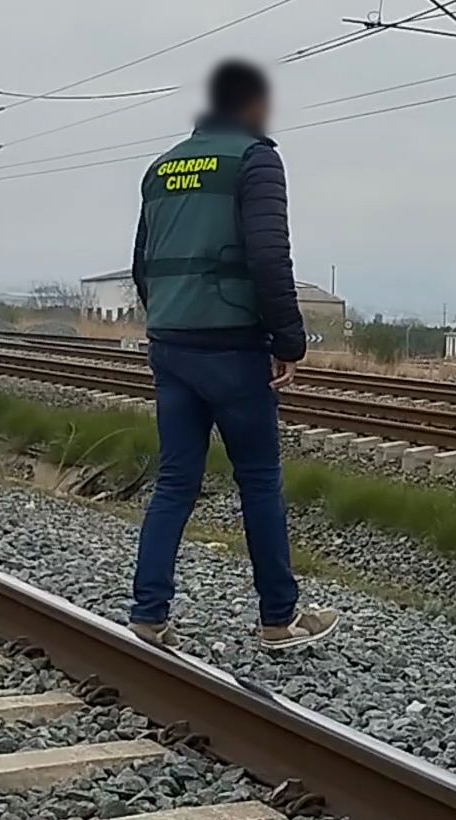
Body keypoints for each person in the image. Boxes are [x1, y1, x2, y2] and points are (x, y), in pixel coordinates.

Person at [128, 58, 339, 651]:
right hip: (232, 346)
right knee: (259, 481)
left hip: (170, 344)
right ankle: (278, 620)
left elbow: (143, 262)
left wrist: (168, 316)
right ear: (250, 107)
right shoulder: (256, 159)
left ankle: (148, 613)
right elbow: (271, 258)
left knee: (175, 481)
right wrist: (288, 341)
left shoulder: (162, 167)